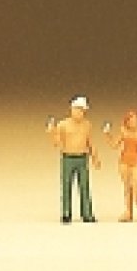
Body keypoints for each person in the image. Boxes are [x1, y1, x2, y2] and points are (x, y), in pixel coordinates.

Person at [45, 95, 101, 224]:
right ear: (72, 109)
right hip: (68, 158)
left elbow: (90, 142)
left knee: (84, 186)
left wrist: (95, 157)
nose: (80, 113)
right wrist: (52, 132)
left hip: (82, 158)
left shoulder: (87, 125)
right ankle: (66, 213)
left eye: (82, 110)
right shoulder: (63, 125)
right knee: (66, 186)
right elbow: (56, 143)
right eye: (78, 109)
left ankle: (87, 213)